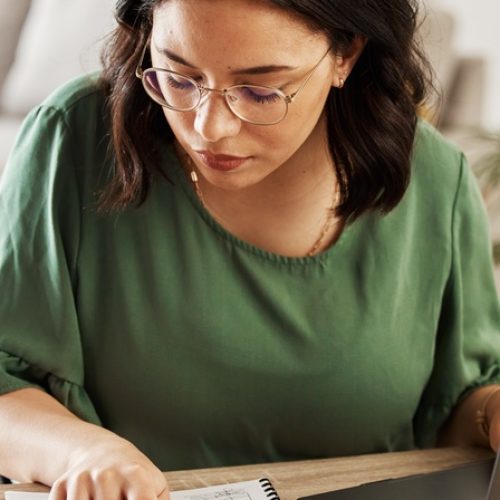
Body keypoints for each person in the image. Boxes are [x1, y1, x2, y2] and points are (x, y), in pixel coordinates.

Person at [0, 0, 499, 498]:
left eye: (261, 90)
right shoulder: (75, 139)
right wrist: (86, 453)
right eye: (177, 77)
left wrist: (490, 411)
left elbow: (455, 409)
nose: (208, 127)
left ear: (346, 54)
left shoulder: (436, 181)